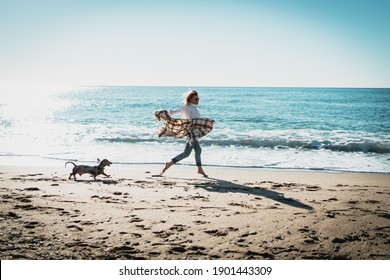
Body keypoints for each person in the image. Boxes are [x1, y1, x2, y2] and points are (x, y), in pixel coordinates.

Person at [159, 90, 211, 177]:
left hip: (193, 132)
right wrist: (162, 114)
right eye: (196, 99)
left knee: (195, 151)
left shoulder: (190, 108)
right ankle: (170, 163)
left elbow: (173, 112)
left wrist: (168, 113)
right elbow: (188, 122)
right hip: (191, 133)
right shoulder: (187, 109)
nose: (198, 100)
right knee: (188, 153)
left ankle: (199, 169)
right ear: (190, 99)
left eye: (198, 99)